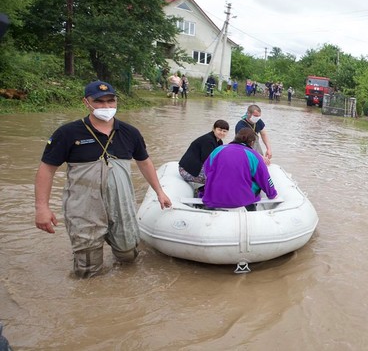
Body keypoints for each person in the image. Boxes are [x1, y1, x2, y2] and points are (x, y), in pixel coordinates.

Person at [34, 80, 173, 278]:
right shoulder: (67, 133)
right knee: (88, 269)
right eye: (99, 102)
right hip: (84, 206)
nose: (106, 106)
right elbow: (46, 170)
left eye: (111, 101)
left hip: (121, 203)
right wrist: (42, 208)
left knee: (128, 254)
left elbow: (145, 162)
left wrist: (160, 192)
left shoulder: (130, 132)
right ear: (86, 102)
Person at [200, 128, 278, 210]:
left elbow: (207, 169)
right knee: (254, 180)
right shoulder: (254, 155)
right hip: (241, 199)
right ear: (252, 142)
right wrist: (272, 194)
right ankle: (251, 211)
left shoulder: (218, 150)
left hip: (214, 196)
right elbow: (264, 177)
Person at [178, 119, 229, 183]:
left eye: (224, 131)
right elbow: (207, 161)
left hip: (195, 167)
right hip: (186, 170)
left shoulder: (219, 142)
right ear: (213, 129)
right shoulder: (208, 141)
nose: (222, 133)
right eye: (219, 130)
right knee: (217, 179)